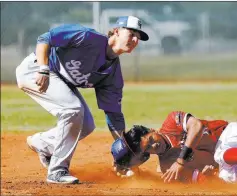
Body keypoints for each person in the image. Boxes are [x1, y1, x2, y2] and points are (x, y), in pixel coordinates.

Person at [15, 16, 149, 184]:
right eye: (131, 33)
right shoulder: (88, 37)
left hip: (61, 79)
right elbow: (45, 38)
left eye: (139, 37)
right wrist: (43, 69)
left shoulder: (113, 76)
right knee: (73, 109)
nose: (135, 40)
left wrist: (125, 151)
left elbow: (113, 114)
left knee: (86, 125)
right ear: (116, 31)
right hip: (35, 69)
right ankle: (57, 171)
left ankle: (42, 144)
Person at [111, 111, 237, 183]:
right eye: (148, 149)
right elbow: (201, 180)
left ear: (152, 130)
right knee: (229, 178)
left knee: (222, 155)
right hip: (228, 159)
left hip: (235, 134)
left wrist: (181, 160)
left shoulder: (171, 122)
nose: (155, 145)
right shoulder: (166, 167)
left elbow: (196, 126)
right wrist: (209, 175)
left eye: (151, 139)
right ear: (145, 155)